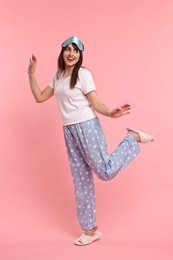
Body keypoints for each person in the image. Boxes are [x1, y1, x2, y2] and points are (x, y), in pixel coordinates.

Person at [28, 36, 153, 246]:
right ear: (62, 52)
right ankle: (90, 230)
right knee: (81, 181)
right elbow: (39, 97)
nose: (71, 54)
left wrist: (111, 113)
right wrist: (31, 74)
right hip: (69, 131)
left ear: (80, 55)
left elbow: (96, 102)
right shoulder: (57, 77)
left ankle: (132, 138)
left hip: (87, 127)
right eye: (68, 49)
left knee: (105, 171)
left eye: (75, 51)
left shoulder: (84, 75)